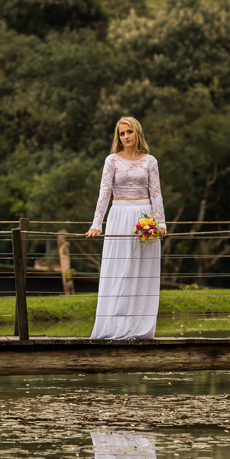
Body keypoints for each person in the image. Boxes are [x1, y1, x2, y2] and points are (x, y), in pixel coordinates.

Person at [85, 116, 166, 340]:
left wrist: (161, 222)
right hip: (119, 215)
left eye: (129, 132)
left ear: (137, 133)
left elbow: (156, 193)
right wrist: (96, 223)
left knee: (142, 271)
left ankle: (139, 328)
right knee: (120, 269)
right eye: (122, 133)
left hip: (145, 217)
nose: (126, 136)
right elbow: (104, 193)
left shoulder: (150, 161)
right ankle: (114, 326)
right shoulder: (112, 160)